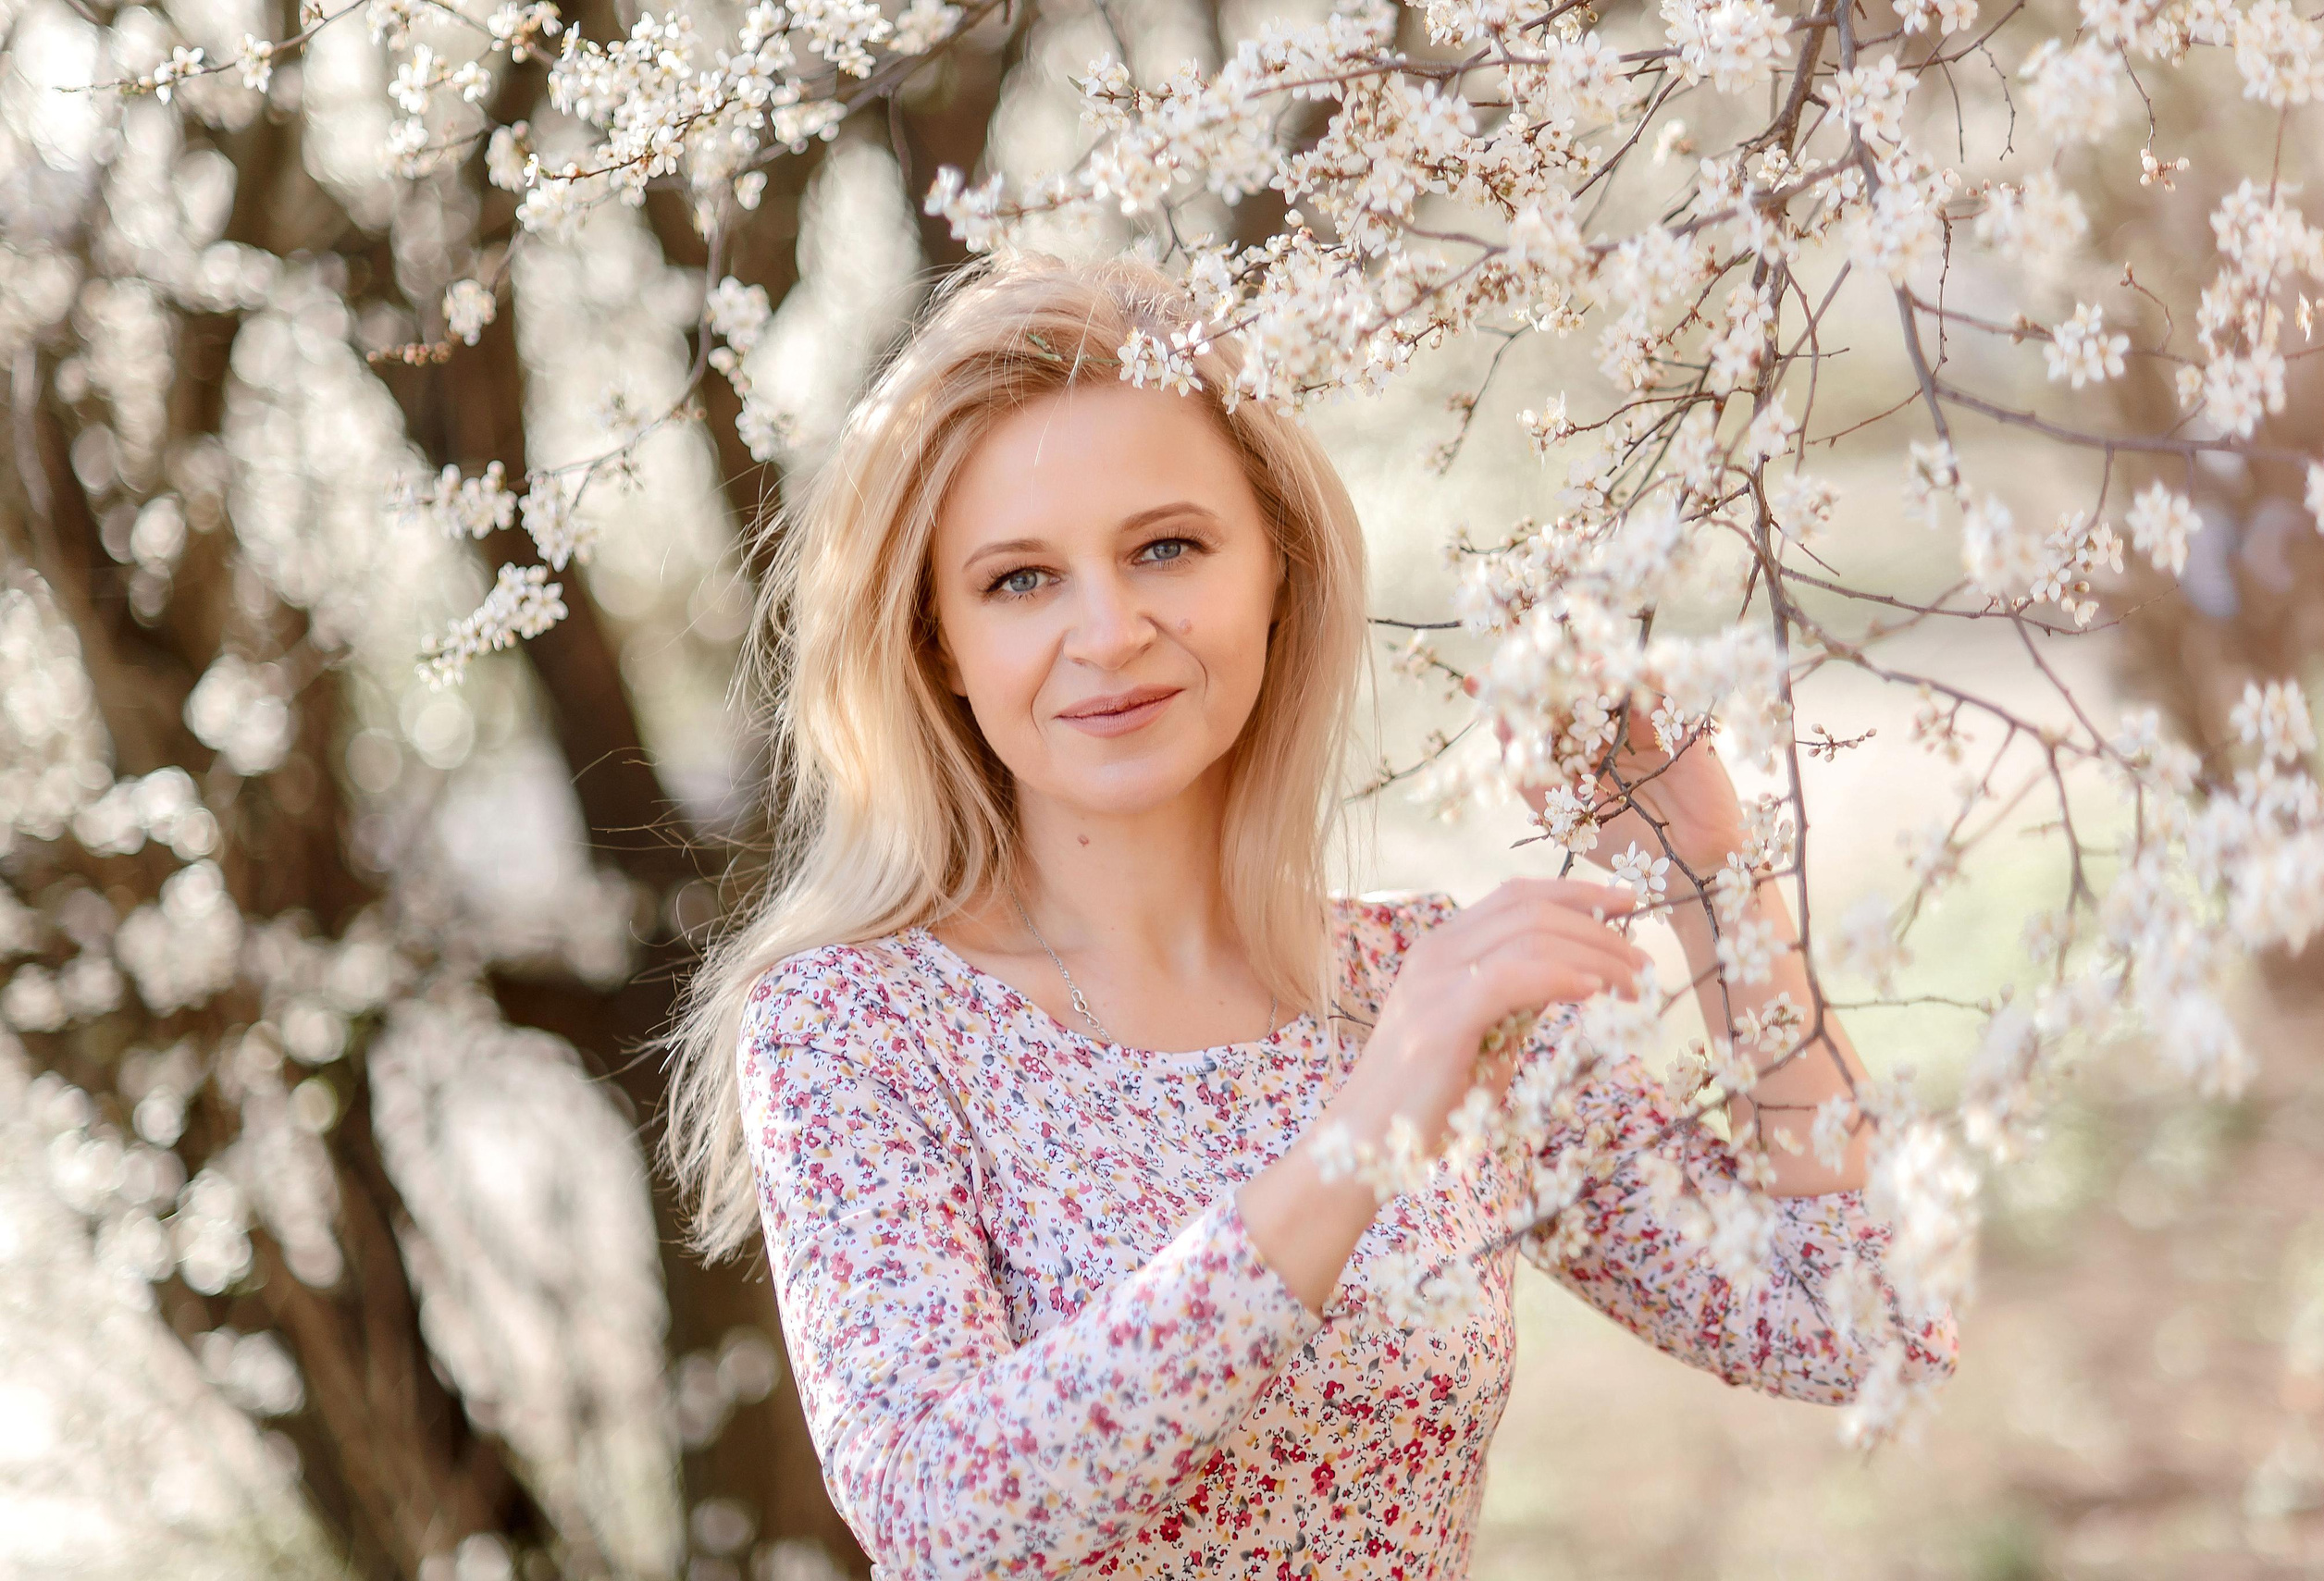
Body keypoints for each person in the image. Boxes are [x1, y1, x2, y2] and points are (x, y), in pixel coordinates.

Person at [660, 250, 1958, 1578]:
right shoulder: (859, 1024)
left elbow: (1867, 1328)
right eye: (1020, 580)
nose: (1108, 631)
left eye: (1166, 547)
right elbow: (945, 1514)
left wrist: (1710, 870)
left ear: (1274, 568)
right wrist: (1368, 1125)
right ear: (939, 641)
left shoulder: (1426, 987)